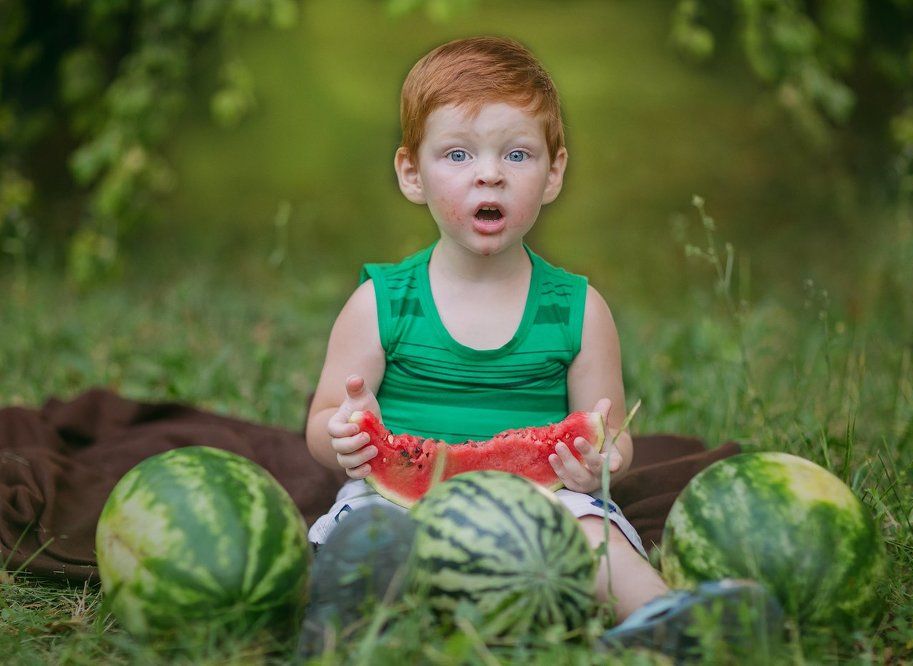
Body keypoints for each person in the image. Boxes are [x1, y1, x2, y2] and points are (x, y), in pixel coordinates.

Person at [301, 36, 782, 658]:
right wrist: (343, 436)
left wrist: (601, 462)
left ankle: (665, 621)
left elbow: (609, 432)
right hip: (395, 503)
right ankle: (346, 627)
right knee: (370, 533)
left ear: (553, 173)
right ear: (411, 174)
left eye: (518, 154)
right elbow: (320, 424)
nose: (490, 172)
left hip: (542, 499)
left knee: (591, 530)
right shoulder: (380, 303)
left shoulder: (579, 310)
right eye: (457, 153)